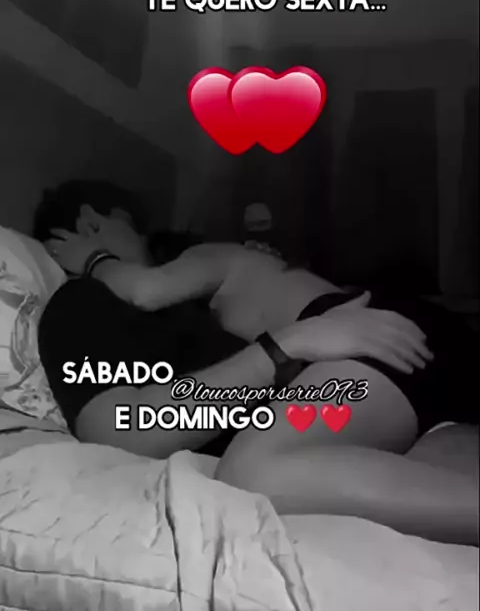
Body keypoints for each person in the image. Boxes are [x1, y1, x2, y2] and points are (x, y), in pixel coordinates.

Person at [35, 180, 479, 544]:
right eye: (131, 224)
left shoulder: (205, 262)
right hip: (410, 367)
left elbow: (146, 290)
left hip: (367, 335)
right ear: (91, 220)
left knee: (254, 471)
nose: (144, 235)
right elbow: (120, 423)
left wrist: (97, 259)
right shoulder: (87, 304)